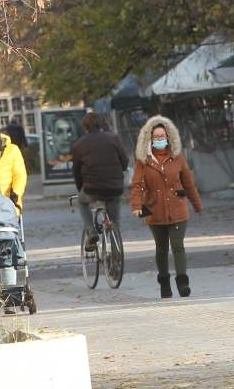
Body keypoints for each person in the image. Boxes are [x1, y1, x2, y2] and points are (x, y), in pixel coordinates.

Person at [130, 115, 202, 298]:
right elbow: (137, 184)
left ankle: (183, 282)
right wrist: (136, 204)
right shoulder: (143, 161)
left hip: (177, 209)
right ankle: (164, 282)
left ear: (169, 137)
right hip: (155, 211)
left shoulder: (177, 157)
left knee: (178, 246)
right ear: (150, 139)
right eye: (156, 137)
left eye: (162, 136)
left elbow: (189, 183)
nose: (160, 139)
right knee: (161, 248)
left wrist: (197, 204)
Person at [71, 111, 129, 251]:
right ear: (101, 124)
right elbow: (125, 162)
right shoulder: (114, 138)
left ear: (85, 127)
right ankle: (116, 254)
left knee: (82, 201)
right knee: (115, 222)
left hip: (92, 189)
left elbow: (76, 172)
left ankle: (91, 232)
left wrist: (81, 188)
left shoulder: (79, 145)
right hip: (115, 187)